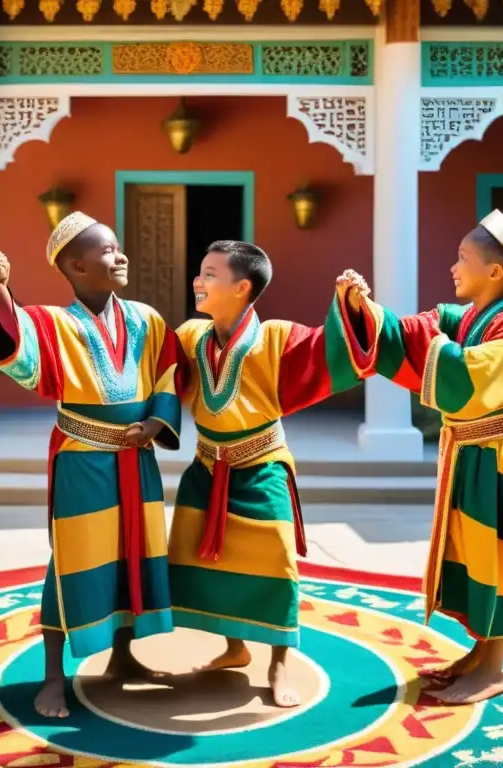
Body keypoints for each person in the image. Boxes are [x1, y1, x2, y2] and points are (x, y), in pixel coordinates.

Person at [337, 209, 503, 705]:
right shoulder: (469, 317)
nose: (453, 268)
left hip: (501, 457)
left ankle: (495, 669)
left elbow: (471, 374)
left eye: (463, 258)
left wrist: (434, 345)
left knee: (499, 555)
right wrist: (363, 305)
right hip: (472, 452)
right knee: (473, 553)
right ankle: (479, 655)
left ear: (495, 272)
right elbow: (414, 330)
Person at [0, 211, 182, 719]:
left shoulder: (147, 319)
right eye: (109, 250)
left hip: (137, 458)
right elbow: (13, 344)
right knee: (73, 562)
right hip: (83, 460)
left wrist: (157, 423)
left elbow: (168, 371)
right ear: (76, 266)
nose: (122, 255)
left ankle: (123, 657)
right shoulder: (53, 322)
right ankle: (52, 677)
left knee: (131, 553)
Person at [168, 239, 369, 708]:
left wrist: (350, 307)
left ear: (242, 288)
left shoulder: (276, 335)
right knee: (206, 564)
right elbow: (157, 372)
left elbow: (328, 350)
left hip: (262, 469)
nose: (198, 280)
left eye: (210, 274)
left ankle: (279, 662)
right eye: (200, 271)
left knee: (277, 564)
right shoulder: (191, 336)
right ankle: (233, 648)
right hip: (206, 467)